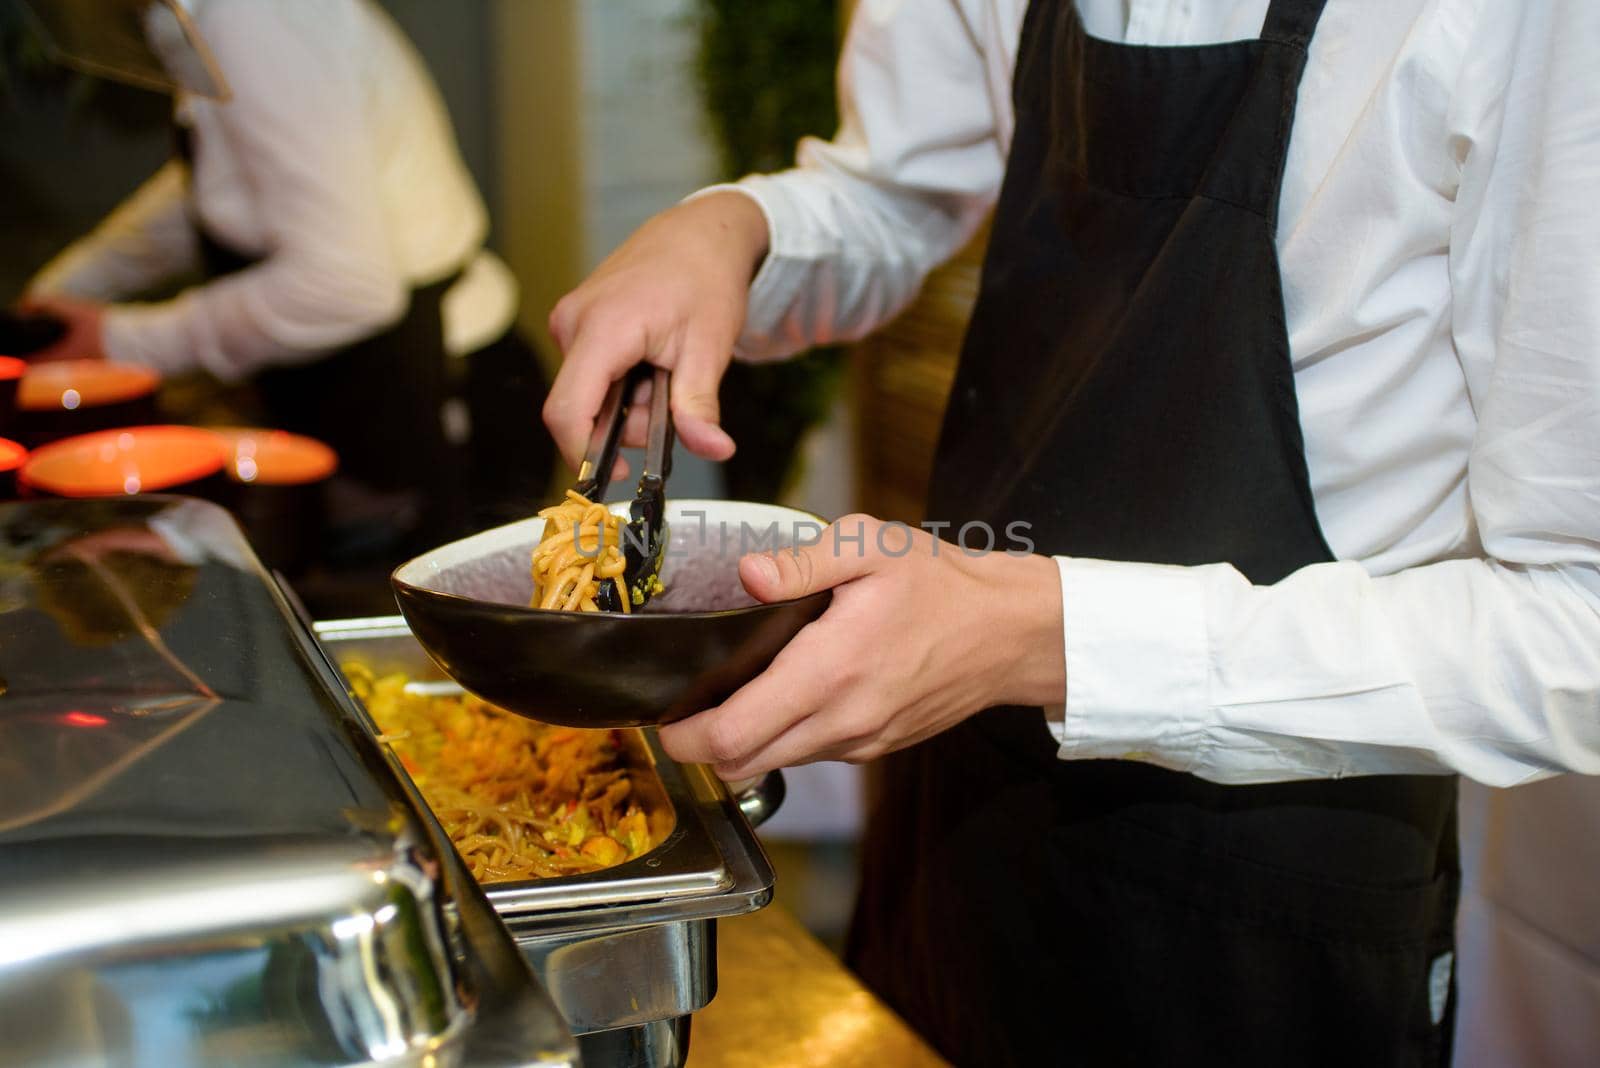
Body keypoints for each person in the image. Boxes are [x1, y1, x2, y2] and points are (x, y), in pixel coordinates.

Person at [543, 1, 1600, 1065]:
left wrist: (1042, 637)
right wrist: (732, 231)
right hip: (957, 815)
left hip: (1271, 883)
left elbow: (1579, 628)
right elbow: (900, 189)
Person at [23, 0, 552, 557]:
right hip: (364, 392)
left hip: (427, 405)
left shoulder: (255, 15)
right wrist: (69, 288)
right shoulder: (211, 16)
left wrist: (122, 341)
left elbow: (343, 285)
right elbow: (224, 185)